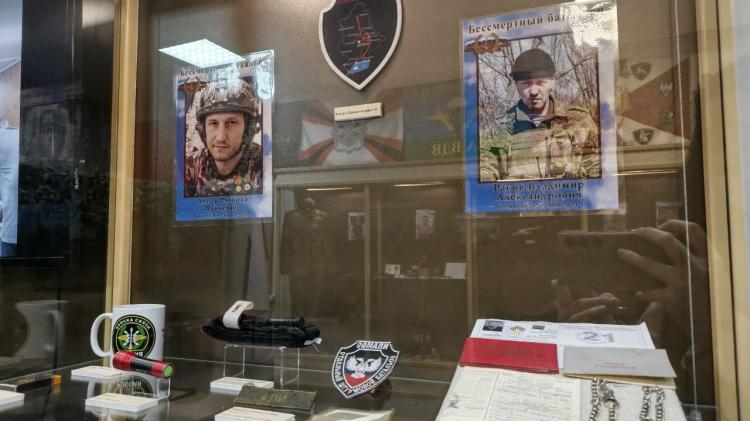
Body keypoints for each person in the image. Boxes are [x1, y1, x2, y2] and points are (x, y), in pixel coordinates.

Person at [480, 48, 600, 181]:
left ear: (552, 81)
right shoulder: (502, 127)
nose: (533, 91)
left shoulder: (577, 119)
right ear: (517, 85)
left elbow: (598, 166)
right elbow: (484, 170)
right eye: (526, 84)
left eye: (540, 83)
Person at [185, 79, 262, 196]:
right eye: (213, 123)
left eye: (231, 122)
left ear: (248, 128)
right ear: (203, 129)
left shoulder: (264, 164)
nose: (221, 137)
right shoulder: (192, 166)